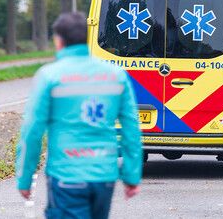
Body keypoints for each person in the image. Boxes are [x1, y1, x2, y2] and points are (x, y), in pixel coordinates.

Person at [16, 12, 142, 219]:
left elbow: (32, 131)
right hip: (104, 176)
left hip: (66, 175)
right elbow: (131, 129)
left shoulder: (49, 76)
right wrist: (131, 175)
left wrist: (24, 177)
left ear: (59, 40)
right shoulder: (116, 75)